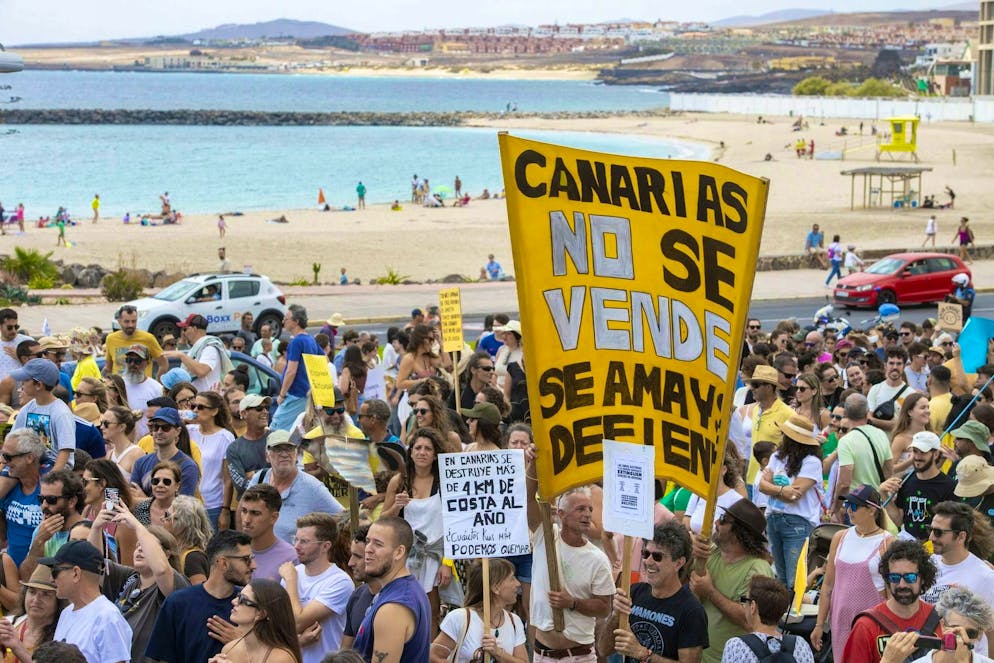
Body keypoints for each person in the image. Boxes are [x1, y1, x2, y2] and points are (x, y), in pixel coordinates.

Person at [523, 446, 613, 663]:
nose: (587, 514)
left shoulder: (597, 558)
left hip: (579, 656)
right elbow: (528, 499)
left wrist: (572, 602)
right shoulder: (545, 536)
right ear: (561, 514)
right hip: (542, 655)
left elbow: (604, 608)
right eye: (580, 509)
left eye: (590, 509)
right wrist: (534, 463)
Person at [93, 502, 190, 662]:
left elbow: (161, 570)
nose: (139, 549)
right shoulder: (129, 577)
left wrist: (137, 525)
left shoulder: (174, 584)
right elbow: (93, 566)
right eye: (138, 545)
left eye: (145, 546)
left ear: (166, 555)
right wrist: (96, 527)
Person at [600, 521, 708, 662]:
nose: (648, 561)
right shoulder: (634, 592)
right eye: (645, 554)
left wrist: (643, 654)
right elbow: (603, 649)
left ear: (679, 563)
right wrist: (616, 615)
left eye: (657, 556)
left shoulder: (691, 610)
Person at [145, 529, 256, 663]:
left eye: (252, 558)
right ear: (223, 563)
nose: (253, 566)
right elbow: (163, 658)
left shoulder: (251, 604)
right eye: (246, 559)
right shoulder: (178, 603)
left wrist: (244, 642)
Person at [811, 484, 895, 657]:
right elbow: (827, 586)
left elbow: (891, 592)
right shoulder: (840, 537)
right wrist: (819, 625)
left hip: (873, 622)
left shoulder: (888, 542)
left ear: (871, 510)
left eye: (855, 506)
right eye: (847, 504)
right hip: (840, 621)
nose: (849, 510)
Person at [380, 428, 450, 632]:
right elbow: (382, 521)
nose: (422, 452)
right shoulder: (399, 481)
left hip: (436, 555)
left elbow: (454, 523)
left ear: (435, 455)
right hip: (406, 555)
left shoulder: (444, 481)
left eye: (428, 449)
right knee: (404, 607)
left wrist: (447, 562)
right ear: (410, 452)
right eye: (418, 448)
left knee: (432, 611)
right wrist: (396, 506)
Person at [689, 499, 774, 663]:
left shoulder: (757, 570)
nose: (716, 522)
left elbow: (750, 621)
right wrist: (691, 553)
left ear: (739, 533)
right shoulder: (711, 552)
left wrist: (710, 592)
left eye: (723, 519)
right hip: (698, 656)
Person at [843, 539, 941, 663]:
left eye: (910, 577)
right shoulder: (866, 626)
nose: (902, 584)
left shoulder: (940, 621)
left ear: (923, 578)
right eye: (895, 577)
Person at [352, 517, 432, 662]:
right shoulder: (403, 590)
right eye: (368, 541)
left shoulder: (393, 607)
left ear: (399, 552)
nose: (368, 549)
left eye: (378, 544)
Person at [39, 540, 133, 663]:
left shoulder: (107, 617)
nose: (51, 579)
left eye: (55, 571)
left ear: (76, 573)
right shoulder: (66, 613)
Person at [758, 414, 823, 585]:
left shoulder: (812, 462)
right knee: (780, 577)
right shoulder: (776, 457)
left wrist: (771, 485)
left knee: (794, 580)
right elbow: (761, 486)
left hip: (797, 523)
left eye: (785, 434)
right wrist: (781, 490)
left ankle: (793, 603)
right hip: (773, 518)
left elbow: (793, 496)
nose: (781, 437)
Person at [922, 501, 994, 656]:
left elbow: (992, 631)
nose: (931, 537)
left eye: (938, 532)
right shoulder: (926, 565)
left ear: (961, 537)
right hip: (932, 656)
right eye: (930, 529)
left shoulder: (985, 577)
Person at [245, 430, 343, 544]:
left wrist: (319, 544)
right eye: (278, 449)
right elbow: (242, 511)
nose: (284, 454)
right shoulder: (259, 478)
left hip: (295, 555)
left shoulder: (312, 487)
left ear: (296, 455)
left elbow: (342, 518)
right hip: (259, 552)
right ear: (267, 456)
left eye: (289, 449)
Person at [279, 513, 354, 662]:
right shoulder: (293, 573)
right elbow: (278, 628)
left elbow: (298, 622)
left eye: (304, 541)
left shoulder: (340, 582)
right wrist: (299, 641)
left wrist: (291, 581)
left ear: (325, 546)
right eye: (296, 539)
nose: (296, 546)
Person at [431, 558, 528, 663]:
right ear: (496, 588)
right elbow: (433, 657)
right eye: (512, 579)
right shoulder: (459, 618)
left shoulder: (514, 621)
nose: (518, 583)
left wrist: (498, 653)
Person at [879, 432, 956, 541]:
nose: (917, 457)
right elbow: (899, 520)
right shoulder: (906, 480)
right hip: (907, 542)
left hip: (934, 545)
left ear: (936, 454)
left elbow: (950, 527)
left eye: (923, 452)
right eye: (915, 451)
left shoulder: (949, 485)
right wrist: (883, 493)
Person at [722, 575, 815, 663]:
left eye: (745, 600)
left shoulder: (736, 646)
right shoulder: (801, 645)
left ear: (753, 606)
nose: (744, 605)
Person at [832, 393, 894, 521]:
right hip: (876, 503)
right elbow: (888, 471)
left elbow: (844, 482)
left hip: (855, 504)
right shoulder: (881, 434)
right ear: (867, 413)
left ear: (846, 414)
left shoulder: (846, 441)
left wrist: (836, 507)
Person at [208, 579, 302, 663]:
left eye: (242, 599)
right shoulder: (229, 649)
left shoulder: (281, 658)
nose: (234, 601)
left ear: (261, 613)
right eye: (238, 596)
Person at [11, 358, 76, 473]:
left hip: (53, 464)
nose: (21, 384)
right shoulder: (27, 408)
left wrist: (52, 476)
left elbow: (65, 451)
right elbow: (13, 438)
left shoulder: (61, 413)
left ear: (38, 385)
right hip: (29, 461)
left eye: (25, 380)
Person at [19, 469, 85, 583]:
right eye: (41, 499)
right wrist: (38, 542)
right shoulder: (42, 531)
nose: (44, 505)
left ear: (72, 501)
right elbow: (27, 578)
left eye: (51, 500)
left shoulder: (87, 532)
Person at [188, 390, 236, 531]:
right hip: (188, 502)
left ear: (214, 411)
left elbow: (228, 479)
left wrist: (225, 510)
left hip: (213, 505)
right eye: (193, 406)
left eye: (201, 407)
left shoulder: (226, 437)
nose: (195, 410)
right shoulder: (188, 431)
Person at [0, 565, 67, 662]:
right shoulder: (8, 624)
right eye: (32, 592)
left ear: (58, 602)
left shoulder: (62, 636)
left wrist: (17, 647)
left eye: (46, 594)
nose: (36, 600)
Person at [272, 305, 324, 431]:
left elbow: (291, 371)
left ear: (296, 321)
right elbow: (324, 359)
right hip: (308, 393)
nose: (283, 321)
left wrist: (282, 395)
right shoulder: (310, 339)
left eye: (286, 318)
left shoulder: (296, 342)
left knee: (276, 428)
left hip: (295, 394)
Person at [130, 407, 201, 497]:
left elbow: (182, 504)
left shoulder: (188, 466)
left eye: (166, 428)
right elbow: (133, 497)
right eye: (156, 427)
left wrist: (144, 500)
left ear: (178, 431)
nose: (159, 431)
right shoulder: (141, 462)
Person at [0, 429, 46, 566]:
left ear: (30, 458)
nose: (3, 461)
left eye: (8, 457)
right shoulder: (7, 488)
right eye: (2, 455)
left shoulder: (49, 491)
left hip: (39, 571)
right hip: (10, 569)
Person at [239, 484, 296, 581]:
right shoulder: (230, 550)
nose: (246, 520)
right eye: (244, 511)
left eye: (255, 513)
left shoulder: (290, 558)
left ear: (273, 517)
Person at [165, 314, 232, 393]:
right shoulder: (198, 349)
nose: (184, 333)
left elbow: (202, 371)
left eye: (185, 329)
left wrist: (182, 356)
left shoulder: (209, 348)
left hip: (208, 397)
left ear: (194, 329)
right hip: (200, 396)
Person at [228, 394, 272, 503]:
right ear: (244, 413)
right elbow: (241, 486)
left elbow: (287, 471)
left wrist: (255, 474)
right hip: (250, 506)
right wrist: (272, 478)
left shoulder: (276, 438)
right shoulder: (234, 448)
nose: (265, 412)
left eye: (266, 408)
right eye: (259, 408)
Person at [341, 525, 378, 650]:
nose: (350, 563)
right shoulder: (357, 596)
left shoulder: (398, 600)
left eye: (358, 556)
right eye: (351, 555)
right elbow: (345, 652)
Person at [103, 305, 166, 378]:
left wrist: (158, 381)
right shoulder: (111, 339)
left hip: (141, 383)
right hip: (119, 384)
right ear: (119, 321)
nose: (131, 325)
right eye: (127, 321)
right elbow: (108, 367)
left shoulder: (148, 339)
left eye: (134, 321)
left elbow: (163, 364)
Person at [133, 460, 181, 529]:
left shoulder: (184, 512)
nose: (160, 485)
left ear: (177, 486)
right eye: (155, 481)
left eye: (166, 481)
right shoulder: (141, 508)